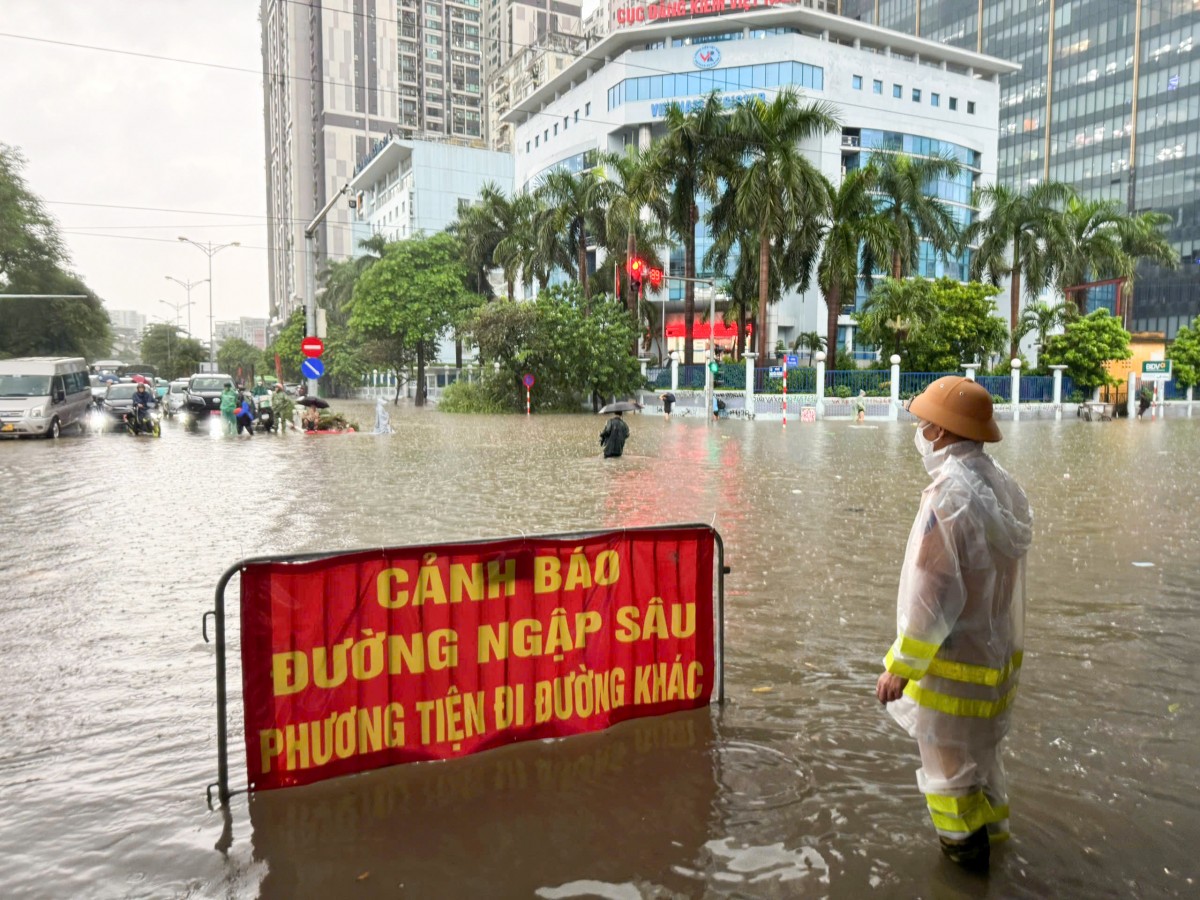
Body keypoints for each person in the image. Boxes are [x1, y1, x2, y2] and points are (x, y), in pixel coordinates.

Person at [876, 376, 1032, 872]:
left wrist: (901, 666)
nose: (921, 430)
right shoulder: (1003, 488)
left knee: (949, 785)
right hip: (993, 665)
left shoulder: (948, 496)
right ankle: (998, 859)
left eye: (926, 423)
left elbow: (932, 591)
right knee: (982, 772)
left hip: (953, 671)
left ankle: (966, 870)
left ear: (943, 432)